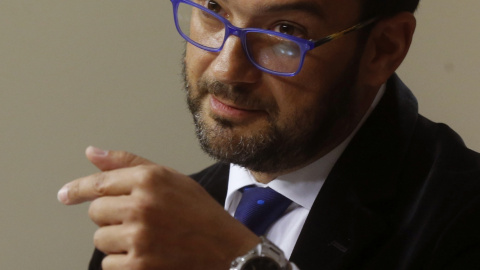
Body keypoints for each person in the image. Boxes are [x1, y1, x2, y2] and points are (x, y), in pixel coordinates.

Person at [58, 0, 480, 269]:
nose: (226, 69)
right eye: (213, 8)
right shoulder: (154, 228)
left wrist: (243, 262)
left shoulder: (463, 217)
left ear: (384, 48)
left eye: (285, 31)